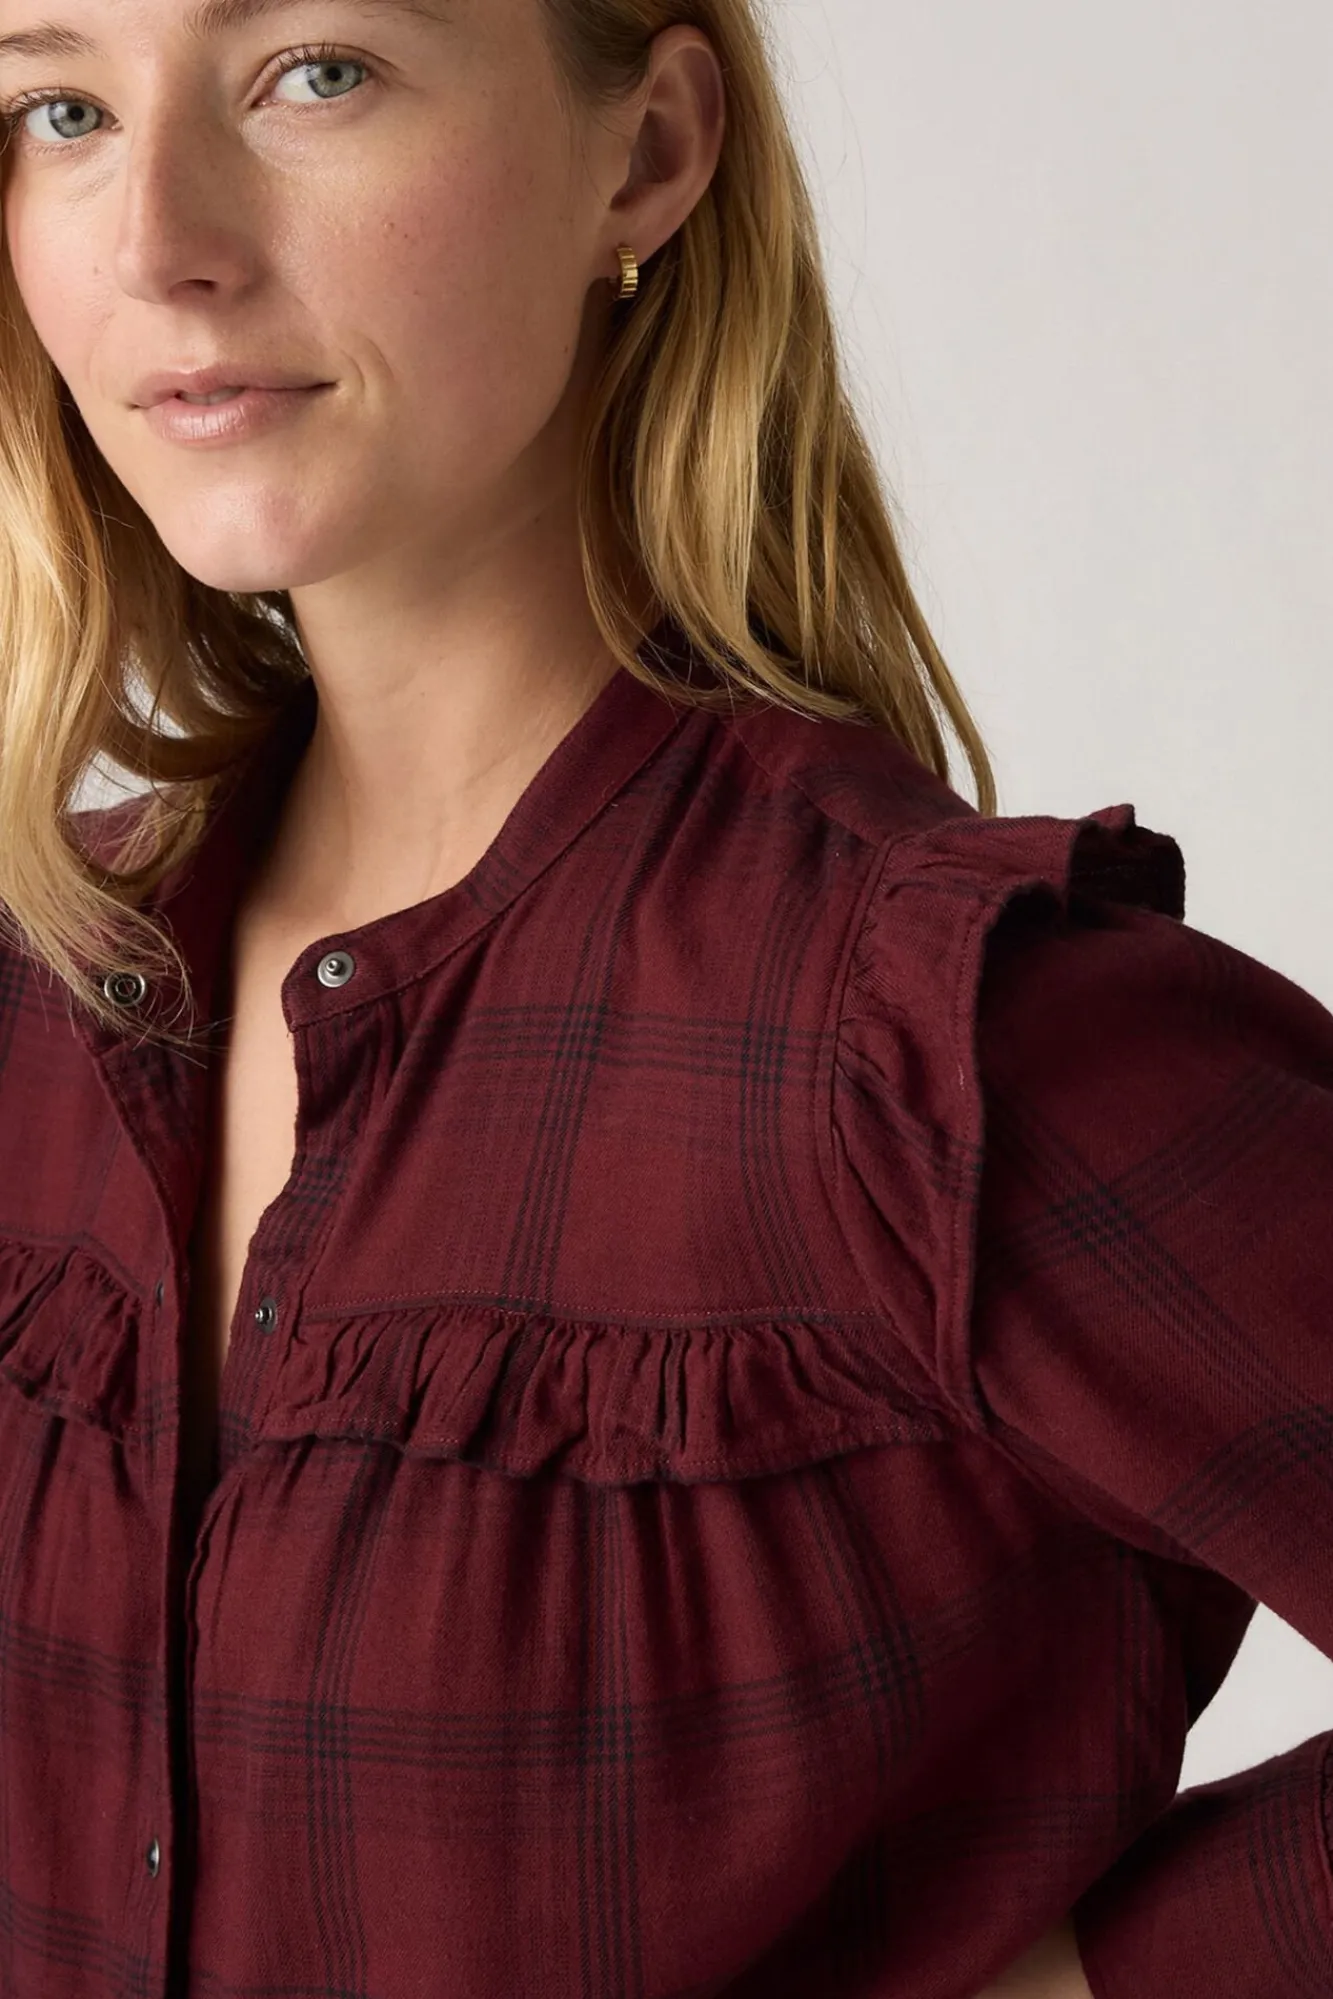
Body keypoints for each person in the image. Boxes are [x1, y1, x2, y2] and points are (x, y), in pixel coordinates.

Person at [0, 0, 1326, 1993]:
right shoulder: (37, 1001)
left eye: (317, 71)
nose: (156, 241)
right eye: (61, 108)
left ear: (647, 153)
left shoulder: (933, 1047)